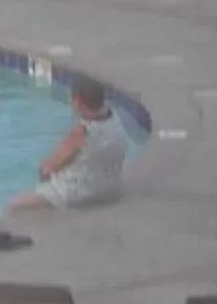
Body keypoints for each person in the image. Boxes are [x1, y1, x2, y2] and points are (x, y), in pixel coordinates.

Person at [9, 82, 130, 213]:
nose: (69, 102)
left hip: (81, 194)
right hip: (112, 188)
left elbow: (48, 167)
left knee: (13, 206)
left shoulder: (82, 132)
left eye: (72, 99)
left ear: (79, 102)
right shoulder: (115, 119)